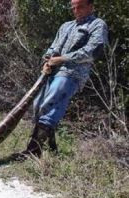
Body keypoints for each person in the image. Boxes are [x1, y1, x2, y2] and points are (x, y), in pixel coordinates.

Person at [21, 0, 108, 159]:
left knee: (51, 101)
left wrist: (62, 59)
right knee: (39, 105)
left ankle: (33, 150)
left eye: (80, 6)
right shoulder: (65, 26)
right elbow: (53, 48)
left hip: (72, 73)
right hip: (51, 71)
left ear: (90, 6)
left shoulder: (97, 25)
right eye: (73, 7)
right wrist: (46, 61)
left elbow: (92, 51)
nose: (76, 10)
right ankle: (52, 149)